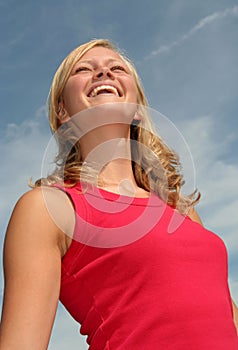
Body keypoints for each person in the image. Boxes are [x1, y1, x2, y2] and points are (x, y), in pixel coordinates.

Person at [0, 38, 237, 349]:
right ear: (63, 112)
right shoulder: (49, 209)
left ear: (137, 108)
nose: (104, 72)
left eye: (117, 68)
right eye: (84, 69)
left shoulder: (180, 211)